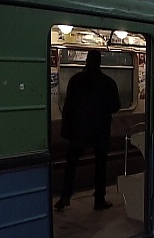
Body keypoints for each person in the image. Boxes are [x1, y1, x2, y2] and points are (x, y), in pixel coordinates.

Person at [55, 50, 121, 211]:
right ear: (99, 62)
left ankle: (65, 197)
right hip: (100, 130)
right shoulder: (108, 82)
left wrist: (66, 129)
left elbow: (68, 107)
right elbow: (116, 106)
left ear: (86, 60)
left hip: (79, 130)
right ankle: (99, 199)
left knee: (71, 164)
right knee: (100, 166)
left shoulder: (76, 80)